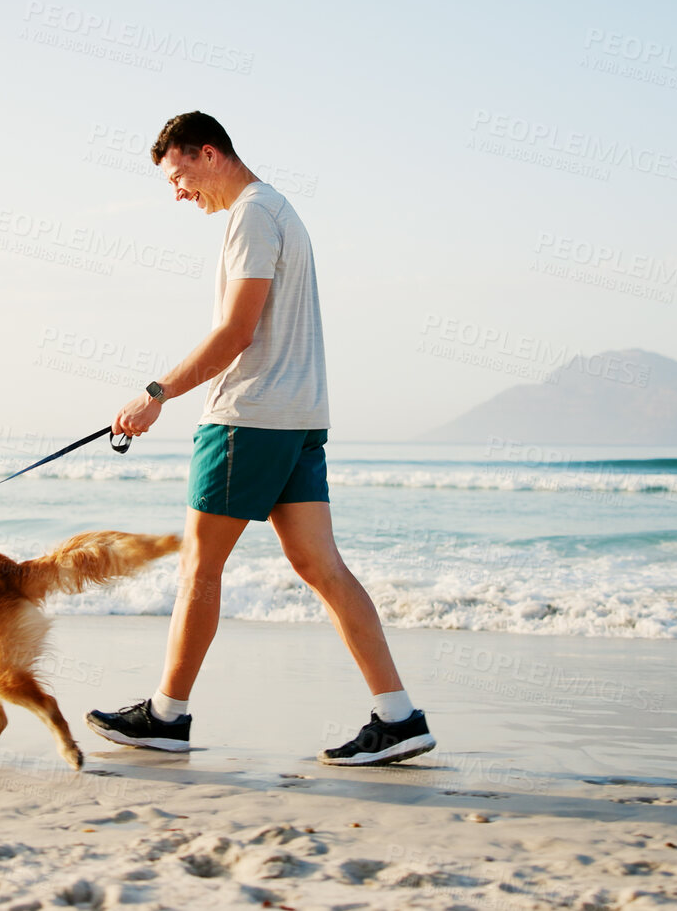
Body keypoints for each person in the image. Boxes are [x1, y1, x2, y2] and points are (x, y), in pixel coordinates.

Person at [86, 111, 436, 766]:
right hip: (298, 417)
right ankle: (398, 715)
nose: (177, 191)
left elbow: (236, 333)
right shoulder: (276, 210)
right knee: (319, 565)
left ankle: (166, 715)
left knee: (199, 565)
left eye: (178, 174)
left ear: (210, 153)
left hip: (248, 417)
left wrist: (154, 393)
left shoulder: (251, 215)